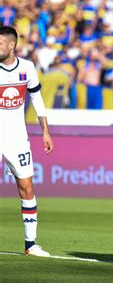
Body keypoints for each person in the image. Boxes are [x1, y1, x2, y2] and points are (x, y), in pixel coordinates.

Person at [0, 26, 53, 256]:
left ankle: (30, 245)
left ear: (11, 45)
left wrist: (45, 131)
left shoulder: (27, 68)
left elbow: (37, 98)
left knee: (27, 187)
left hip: (17, 138)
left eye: (0, 43)